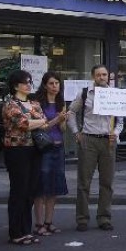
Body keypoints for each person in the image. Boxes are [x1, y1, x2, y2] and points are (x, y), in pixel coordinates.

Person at [67, 65, 124, 232]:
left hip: (108, 141)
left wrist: (116, 132)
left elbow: (120, 120)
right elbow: (71, 112)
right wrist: (76, 132)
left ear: (108, 77)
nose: (102, 77)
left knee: (107, 182)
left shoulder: (115, 94)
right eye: (98, 74)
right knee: (84, 182)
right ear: (93, 76)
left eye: (104, 74)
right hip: (89, 140)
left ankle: (104, 218)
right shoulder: (84, 93)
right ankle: (82, 219)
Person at [2, 70, 47, 246]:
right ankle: (15, 231)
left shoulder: (34, 103)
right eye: (24, 82)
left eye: (30, 81)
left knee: (30, 191)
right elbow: (24, 124)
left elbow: (43, 121)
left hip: (34, 149)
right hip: (16, 151)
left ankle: (26, 229)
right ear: (15, 85)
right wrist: (36, 121)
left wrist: (35, 121)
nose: (28, 85)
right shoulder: (10, 104)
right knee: (18, 191)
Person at [33, 72, 69, 237]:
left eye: (57, 83)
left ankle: (49, 222)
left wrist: (62, 121)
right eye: (52, 83)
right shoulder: (38, 103)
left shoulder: (61, 102)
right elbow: (41, 127)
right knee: (41, 186)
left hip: (58, 145)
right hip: (44, 147)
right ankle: (39, 223)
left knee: (54, 186)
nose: (55, 86)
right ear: (45, 85)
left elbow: (62, 130)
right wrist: (57, 119)